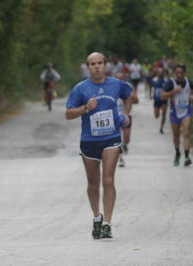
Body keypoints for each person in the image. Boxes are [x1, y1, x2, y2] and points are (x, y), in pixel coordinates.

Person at [65, 52, 132, 239]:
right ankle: (97, 217)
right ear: (88, 67)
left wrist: (126, 114)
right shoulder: (80, 89)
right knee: (93, 184)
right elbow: (68, 113)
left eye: (100, 63)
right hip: (89, 140)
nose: (96, 66)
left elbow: (129, 96)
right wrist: (85, 108)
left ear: (105, 65)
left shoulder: (116, 84)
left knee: (108, 180)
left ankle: (107, 224)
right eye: (92, 64)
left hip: (111, 137)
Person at [161, 64, 193, 167]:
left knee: (186, 133)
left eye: (181, 73)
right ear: (174, 73)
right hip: (174, 112)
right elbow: (162, 96)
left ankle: (187, 156)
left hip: (186, 110)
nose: (179, 75)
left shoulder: (189, 81)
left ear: (184, 72)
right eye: (177, 73)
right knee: (176, 134)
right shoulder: (170, 83)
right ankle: (177, 153)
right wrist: (174, 92)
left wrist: (192, 96)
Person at [114, 72, 138, 167]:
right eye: (118, 79)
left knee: (126, 139)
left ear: (124, 78)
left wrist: (127, 96)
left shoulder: (129, 87)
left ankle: (125, 145)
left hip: (128, 115)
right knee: (118, 137)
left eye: (122, 79)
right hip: (116, 116)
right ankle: (121, 158)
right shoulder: (111, 87)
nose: (120, 81)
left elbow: (136, 100)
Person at [150, 67, 168, 134]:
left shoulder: (166, 81)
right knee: (156, 116)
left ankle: (161, 128)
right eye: (159, 72)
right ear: (157, 73)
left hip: (164, 100)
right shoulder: (154, 80)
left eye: (162, 72)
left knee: (164, 115)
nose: (160, 73)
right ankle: (158, 111)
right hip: (156, 99)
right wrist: (150, 94)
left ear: (163, 73)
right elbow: (151, 86)